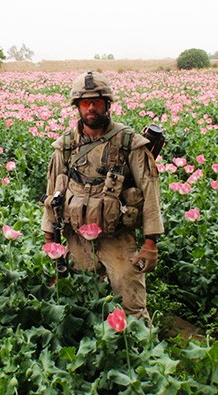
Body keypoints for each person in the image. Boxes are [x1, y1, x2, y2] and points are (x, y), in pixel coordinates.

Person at [41, 71, 165, 319]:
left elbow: (150, 192)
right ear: (76, 107)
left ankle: (140, 352)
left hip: (116, 239)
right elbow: (51, 195)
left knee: (132, 307)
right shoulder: (64, 147)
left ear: (107, 104)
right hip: (77, 239)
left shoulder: (129, 143)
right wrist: (49, 241)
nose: (90, 107)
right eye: (85, 102)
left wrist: (150, 243)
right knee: (82, 304)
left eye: (96, 101)